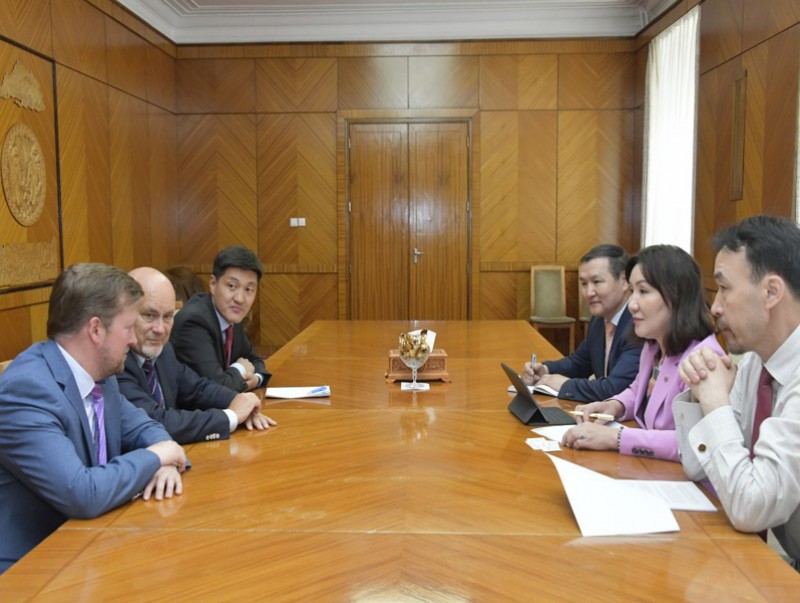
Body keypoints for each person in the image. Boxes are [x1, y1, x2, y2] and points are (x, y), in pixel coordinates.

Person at [0, 263, 188, 574]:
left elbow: (146, 427)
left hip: (92, 546)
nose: (134, 340)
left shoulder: (101, 375)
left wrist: (166, 462)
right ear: (96, 330)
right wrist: (155, 458)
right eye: (128, 327)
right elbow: (82, 493)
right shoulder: (27, 391)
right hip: (31, 568)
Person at [675, 215, 800, 566]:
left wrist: (717, 404)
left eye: (724, 288)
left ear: (771, 292)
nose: (715, 307)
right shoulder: (757, 364)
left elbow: (751, 507)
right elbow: (697, 467)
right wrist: (699, 395)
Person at [561, 245, 724, 461]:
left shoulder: (704, 360)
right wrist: (615, 405)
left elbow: (697, 443)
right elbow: (637, 389)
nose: (632, 304)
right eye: (632, 291)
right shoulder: (652, 347)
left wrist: (616, 438)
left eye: (643, 291)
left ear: (676, 295)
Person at [118, 267, 277, 445]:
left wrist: (238, 400)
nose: (160, 329)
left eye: (168, 316)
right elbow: (154, 422)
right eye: (149, 315)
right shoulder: (117, 362)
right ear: (124, 314)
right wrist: (230, 416)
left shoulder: (163, 349)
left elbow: (197, 388)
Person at [524, 244, 641, 401]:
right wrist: (545, 369)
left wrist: (564, 385)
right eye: (584, 284)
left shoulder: (638, 325)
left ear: (625, 281)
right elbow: (580, 362)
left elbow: (614, 388)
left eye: (597, 282)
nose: (588, 292)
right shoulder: (599, 320)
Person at [170, 246, 271, 392]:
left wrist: (256, 379)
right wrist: (240, 368)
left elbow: (254, 359)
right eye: (232, 286)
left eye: (248, 289)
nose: (240, 299)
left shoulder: (231, 315)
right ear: (213, 284)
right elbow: (217, 387)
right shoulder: (193, 322)